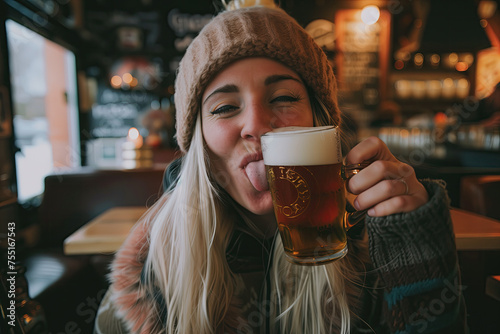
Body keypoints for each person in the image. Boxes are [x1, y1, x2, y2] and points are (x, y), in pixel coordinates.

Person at [95, 1, 467, 333]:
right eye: (225, 107)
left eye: (285, 97)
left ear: (321, 124)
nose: (256, 124)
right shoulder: (150, 267)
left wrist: (417, 245)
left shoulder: (372, 241)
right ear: (198, 144)